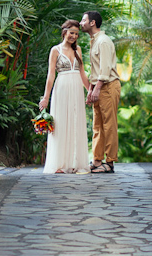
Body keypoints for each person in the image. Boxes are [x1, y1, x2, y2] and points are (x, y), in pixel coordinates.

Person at [39, 20, 90, 174]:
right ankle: (59, 164)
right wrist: (45, 97)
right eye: (71, 33)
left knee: (76, 122)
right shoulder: (55, 50)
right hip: (61, 88)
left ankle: (75, 162)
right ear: (64, 32)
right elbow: (51, 74)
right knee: (61, 123)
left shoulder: (78, 50)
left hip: (76, 89)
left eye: (76, 34)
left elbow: (82, 73)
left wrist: (90, 91)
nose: (73, 36)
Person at [80, 10, 120, 174]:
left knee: (109, 125)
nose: (80, 23)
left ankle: (109, 163)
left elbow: (105, 68)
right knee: (97, 126)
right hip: (98, 87)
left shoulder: (103, 41)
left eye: (83, 20)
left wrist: (97, 88)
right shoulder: (94, 41)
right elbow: (95, 70)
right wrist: (91, 89)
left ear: (92, 23)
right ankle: (97, 160)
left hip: (108, 86)